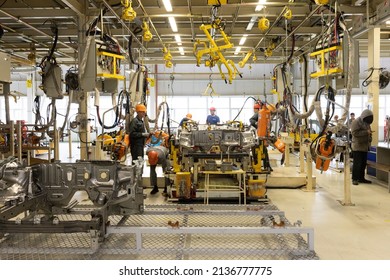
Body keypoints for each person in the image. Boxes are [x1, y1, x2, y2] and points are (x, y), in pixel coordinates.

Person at [351, 109, 373, 185]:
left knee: (363, 163)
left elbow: (369, 131)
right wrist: (366, 132)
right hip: (357, 146)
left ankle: (361, 178)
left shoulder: (367, 122)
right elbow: (354, 133)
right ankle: (354, 178)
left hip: (365, 146)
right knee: (357, 163)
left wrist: (370, 136)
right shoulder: (356, 122)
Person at [249, 103, 272, 171]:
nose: (254, 110)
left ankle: (264, 166)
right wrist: (258, 125)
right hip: (259, 135)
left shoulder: (262, 114)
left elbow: (268, 125)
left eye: (255, 109)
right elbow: (252, 120)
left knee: (261, 150)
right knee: (260, 150)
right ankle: (263, 166)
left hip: (261, 136)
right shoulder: (260, 114)